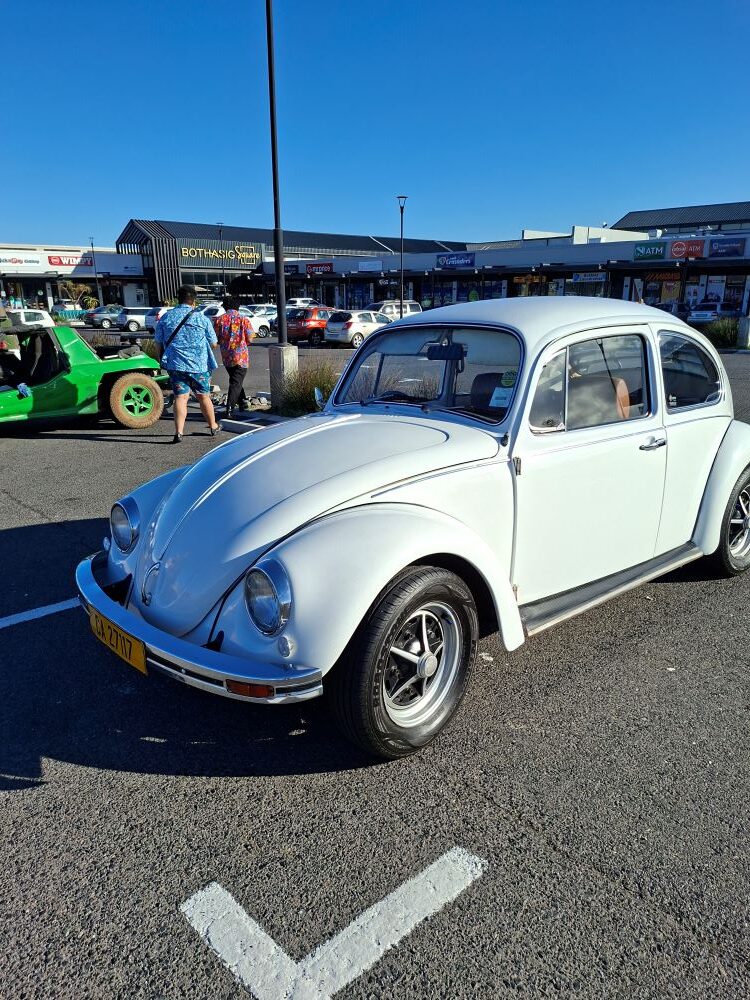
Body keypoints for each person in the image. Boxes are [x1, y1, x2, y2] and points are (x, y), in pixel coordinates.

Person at [154, 285, 220, 443]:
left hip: (176, 364)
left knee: (180, 398)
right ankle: (213, 426)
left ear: (178, 298)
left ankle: (179, 432)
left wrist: (160, 358)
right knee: (204, 396)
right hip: (199, 366)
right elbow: (214, 344)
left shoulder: (166, 317)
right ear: (194, 300)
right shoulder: (201, 318)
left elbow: (158, 343)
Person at [213, 296, 255, 418]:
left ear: (225, 307)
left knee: (235, 379)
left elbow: (215, 339)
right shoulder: (244, 319)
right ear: (238, 306)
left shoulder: (219, 320)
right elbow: (250, 338)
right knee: (236, 381)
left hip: (226, 356)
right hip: (241, 356)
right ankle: (230, 409)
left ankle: (242, 402)